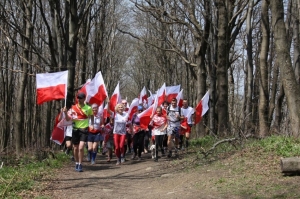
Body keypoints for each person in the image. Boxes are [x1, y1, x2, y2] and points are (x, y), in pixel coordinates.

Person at [63, 92, 94, 172]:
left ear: (84, 99)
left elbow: (92, 115)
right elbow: (67, 119)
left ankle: (80, 164)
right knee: (75, 148)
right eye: (78, 98)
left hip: (84, 130)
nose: (79, 99)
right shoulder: (73, 108)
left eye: (80, 98)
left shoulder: (88, 108)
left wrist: (92, 124)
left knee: (81, 147)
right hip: (75, 130)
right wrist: (65, 113)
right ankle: (76, 162)